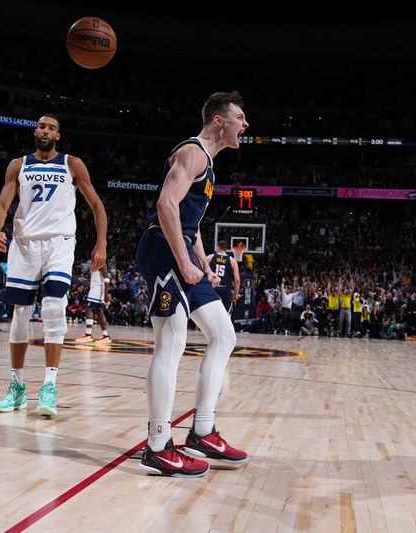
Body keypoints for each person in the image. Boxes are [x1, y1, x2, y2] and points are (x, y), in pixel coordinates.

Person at [135, 91, 249, 477]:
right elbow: (166, 205)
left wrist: (201, 261)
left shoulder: (209, 164)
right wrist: (183, 260)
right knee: (171, 341)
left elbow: (191, 222)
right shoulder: (194, 152)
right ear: (220, 120)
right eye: (240, 117)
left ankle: (202, 430)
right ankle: (157, 444)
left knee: (223, 335)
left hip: (180, 248)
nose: (245, 124)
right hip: (163, 248)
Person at [0, 114, 107, 418]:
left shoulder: (71, 163)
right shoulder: (19, 164)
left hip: (59, 242)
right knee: (20, 314)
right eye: (41, 126)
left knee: (55, 308)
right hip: (25, 243)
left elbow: (96, 205)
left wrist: (101, 243)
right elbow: (2, 205)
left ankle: (49, 386)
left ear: (58, 135)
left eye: (51, 128)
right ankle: (16, 387)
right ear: (35, 131)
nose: (45, 131)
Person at [75, 265, 112, 343]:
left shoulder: (101, 264)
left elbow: (107, 279)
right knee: (99, 312)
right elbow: (95, 281)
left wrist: (106, 294)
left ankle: (88, 334)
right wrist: (85, 286)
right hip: (97, 290)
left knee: (88, 308)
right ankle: (105, 336)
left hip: (97, 291)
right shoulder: (95, 264)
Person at [206, 240, 240, 314]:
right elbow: (237, 279)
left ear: (217, 247)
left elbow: (202, 272)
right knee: (225, 316)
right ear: (226, 249)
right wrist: (235, 294)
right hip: (226, 290)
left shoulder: (210, 257)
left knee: (210, 315)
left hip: (212, 289)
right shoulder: (232, 260)